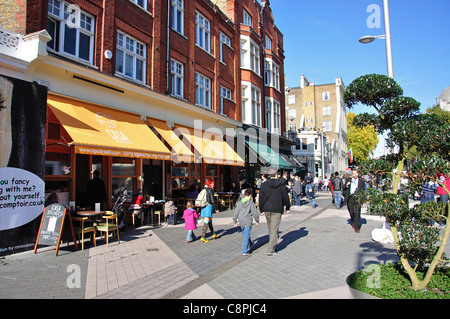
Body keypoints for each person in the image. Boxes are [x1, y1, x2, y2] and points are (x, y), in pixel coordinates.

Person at [258, 168, 290, 256]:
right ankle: (270, 249)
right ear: (276, 175)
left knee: (271, 227)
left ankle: (273, 245)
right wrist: (287, 207)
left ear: (268, 175)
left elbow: (261, 198)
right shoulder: (281, 185)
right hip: (277, 209)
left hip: (267, 209)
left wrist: (261, 208)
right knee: (274, 228)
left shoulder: (264, 185)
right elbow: (285, 197)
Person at [233, 188, 260, 256]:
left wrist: (235, 220)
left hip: (241, 221)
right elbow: (254, 212)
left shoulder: (239, 203)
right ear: (250, 195)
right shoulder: (251, 203)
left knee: (245, 234)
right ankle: (244, 250)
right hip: (248, 221)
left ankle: (250, 243)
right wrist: (257, 220)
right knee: (246, 236)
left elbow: (236, 212)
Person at [200, 178, 219, 243]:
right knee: (206, 221)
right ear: (209, 183)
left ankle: (213, 234)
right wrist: (216, 208)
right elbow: (213, 201)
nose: (213, 184)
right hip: (208, 206)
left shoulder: (204, 189)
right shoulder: (210, 190)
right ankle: (203, 237)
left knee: (209, 220)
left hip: (204, 206)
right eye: (212, 183)